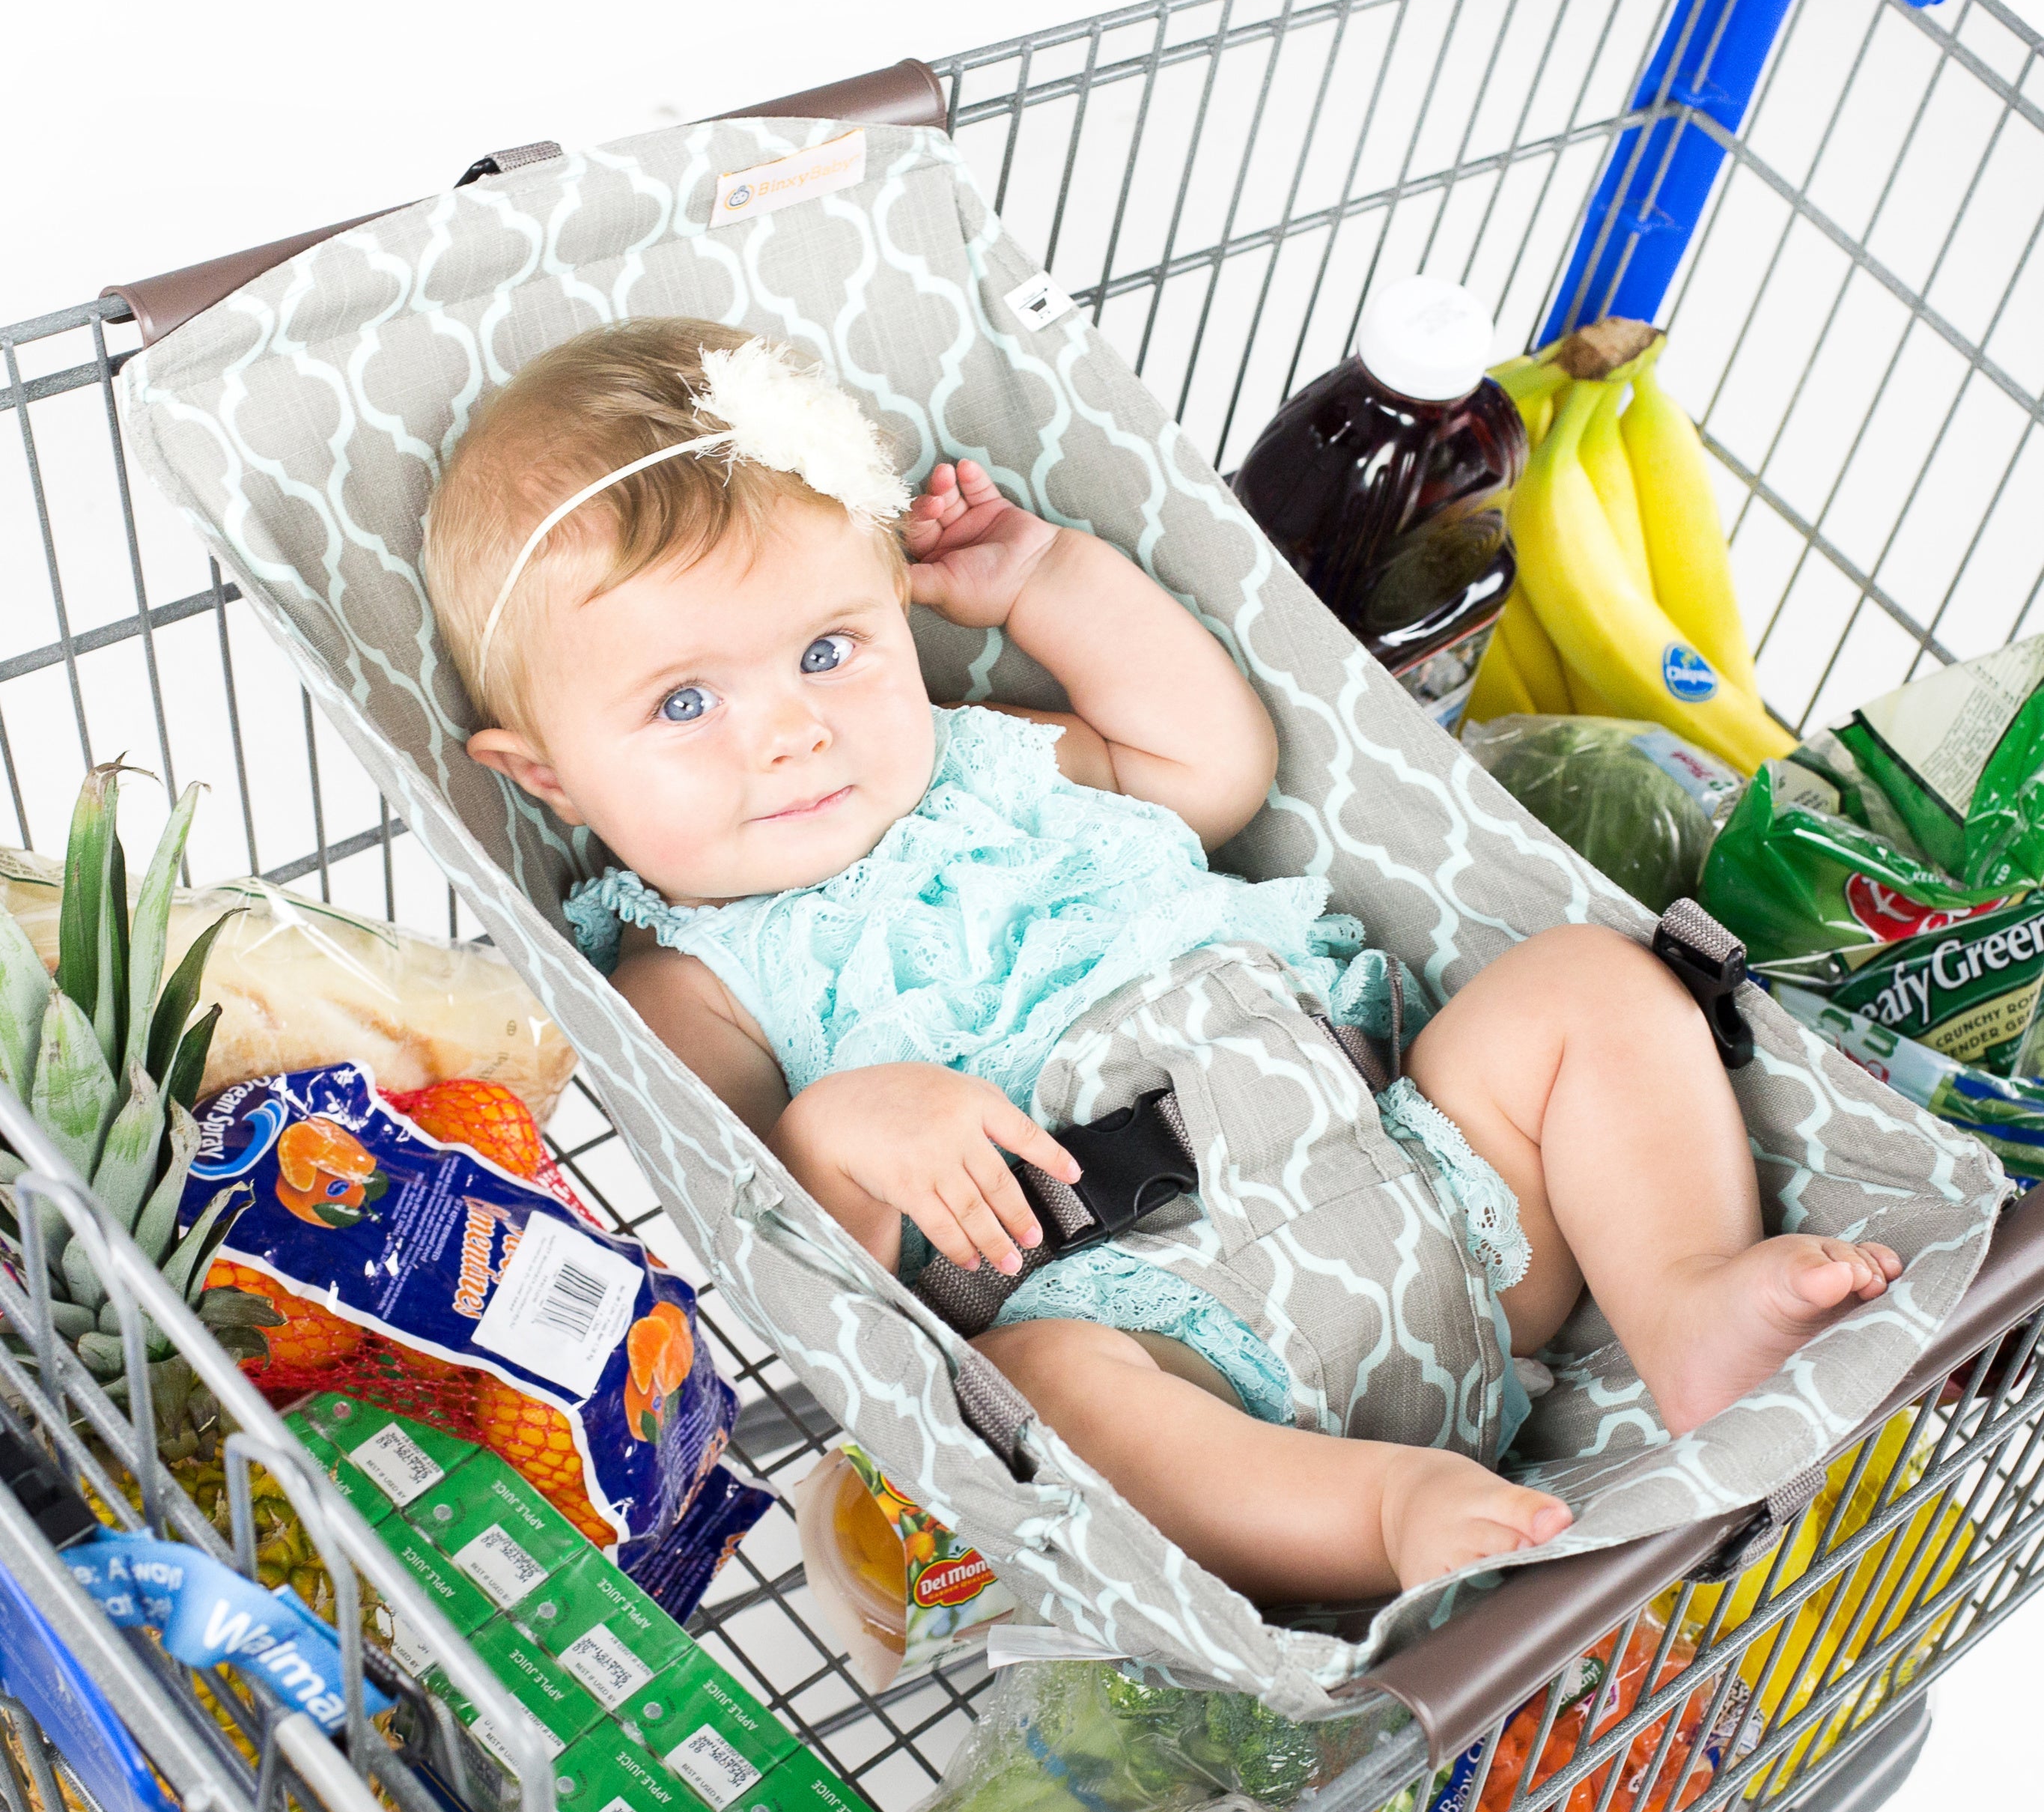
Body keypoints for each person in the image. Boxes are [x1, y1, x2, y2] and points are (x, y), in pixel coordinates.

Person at [422, 319, 1899, 1603]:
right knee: (1050, 1393)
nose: (792, 732)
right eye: (685, 702)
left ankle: (1684, 1290)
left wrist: (1048, 580)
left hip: (1432, 1200)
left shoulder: (996, 762)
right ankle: (1381, 1512)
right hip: (1168, 1333)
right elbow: (781, 1240)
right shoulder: (690, 976)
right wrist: (841, 1126)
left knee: (1587, 982)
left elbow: (1214, 763)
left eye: (828, 650)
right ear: (546, 776)